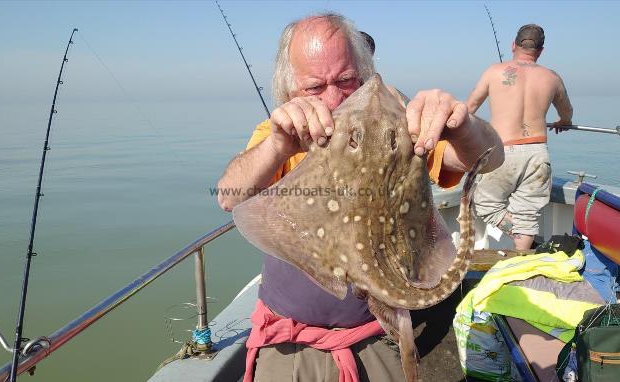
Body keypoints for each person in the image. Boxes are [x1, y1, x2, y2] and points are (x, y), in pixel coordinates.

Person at [217, 13, 503, 381]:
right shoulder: (281, 135)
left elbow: (490, 158)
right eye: (315, 88)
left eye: (347, 80)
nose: (335, 98)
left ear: (364, 73)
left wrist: (463, 125)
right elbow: (228, 197)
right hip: (292, 341)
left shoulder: (401, 128)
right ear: (291, 92)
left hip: (379, 333)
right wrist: (277, 145)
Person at [466, 24, 573, 250]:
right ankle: (523, 249)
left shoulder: (494, 71)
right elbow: (567, 113)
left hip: (502, 152)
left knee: (486, 205)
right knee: (527, 217)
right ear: (541, 50)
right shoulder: (552, 78)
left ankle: (518, 234)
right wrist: (563, 123)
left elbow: (469, 108)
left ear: (513, 44)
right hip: (537, 153)